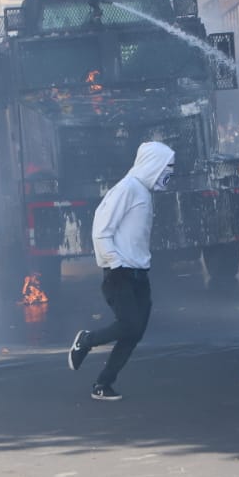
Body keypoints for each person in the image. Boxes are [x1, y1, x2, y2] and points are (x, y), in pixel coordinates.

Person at [67, 141, 176, 401]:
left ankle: (103, 385)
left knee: (134, 332)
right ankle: (86, 340)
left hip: (139, 273)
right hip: (120, 273)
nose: (170, 173)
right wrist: (114, 263)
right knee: (129, 324)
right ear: (153, 165)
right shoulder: (127, 189)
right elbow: (100, 229)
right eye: (167, 167)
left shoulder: (143, 192)